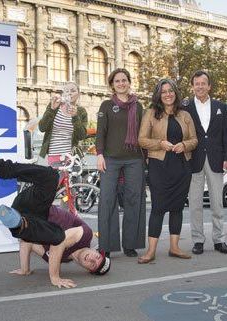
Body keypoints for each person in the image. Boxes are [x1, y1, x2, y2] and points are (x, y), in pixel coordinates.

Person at [0, 146, 110, 288]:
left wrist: (25, 269)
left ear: (86, 269)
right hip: (37, 205)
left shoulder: (60, 259)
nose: (91, 260)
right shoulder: (85, 235)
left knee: (31, 233)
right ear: (95, 251)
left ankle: (17, 223)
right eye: (96, 257)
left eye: (92, 265)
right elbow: (58, 245)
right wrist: (55, 277)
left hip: (24, 218)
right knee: (51, 177)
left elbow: (28, 242)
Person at [137, 79, 197, 264]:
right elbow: (142, 140)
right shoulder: (151, 114)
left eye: (171, 91)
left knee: (177, 208)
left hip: (181, 167)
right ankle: (151, 251)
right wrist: (160, 143)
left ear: (175, 93)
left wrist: (184, 145)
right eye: (164, 91)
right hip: (159, 166)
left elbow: (194, 140)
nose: (168, 94)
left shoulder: (185, 115)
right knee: (158, 208)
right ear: (159, 95)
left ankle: (175, 247)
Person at [96, 68, 146, 258]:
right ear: (112, 85)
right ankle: (106, 246)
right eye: (117, 81)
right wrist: (100, 154)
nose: (121, 83)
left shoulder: (138, 106)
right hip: (110, 159)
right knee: (108, 200)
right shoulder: (106, 106)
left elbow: (143, 134)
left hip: (134, 159)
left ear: (129, 82)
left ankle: (130, 244)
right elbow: (101, 132)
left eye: (124, 80)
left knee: (134, 200)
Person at [184, 70, 227, 255]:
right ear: (193, 86)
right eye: (197, 83)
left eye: (203, 83)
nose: (200, 86)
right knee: (195, 203)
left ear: (209, 86)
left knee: (217, 203)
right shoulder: (185, 106)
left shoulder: (220, 106)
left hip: (216, 159)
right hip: (193, 160)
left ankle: (219, 240)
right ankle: (198, 241)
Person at [39, 82, 88, 166]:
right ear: (63, 94)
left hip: (71, 156)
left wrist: (75, 117)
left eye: (72, 91)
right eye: (66, 91)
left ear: (78, 94)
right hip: (54, 154)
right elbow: (42, 128)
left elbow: (82, 136)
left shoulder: (81, 111)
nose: (69, 93)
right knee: (57, 178)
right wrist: (52, 109)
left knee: (71, 179)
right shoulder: (55, 106)